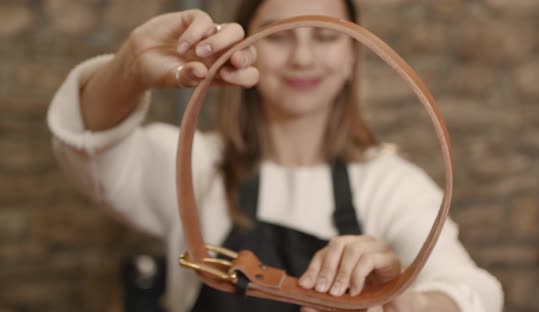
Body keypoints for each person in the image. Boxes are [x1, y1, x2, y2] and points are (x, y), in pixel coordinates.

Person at [47, 0, 503, 311]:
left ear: (352, 58)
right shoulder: (194, 166)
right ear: (242, 50)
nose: (303, 58)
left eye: (325, 36)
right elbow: (88, 149)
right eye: (279, 36)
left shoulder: (392, 184)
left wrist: (400, 300)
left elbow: (474, 292)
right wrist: (129, 66)